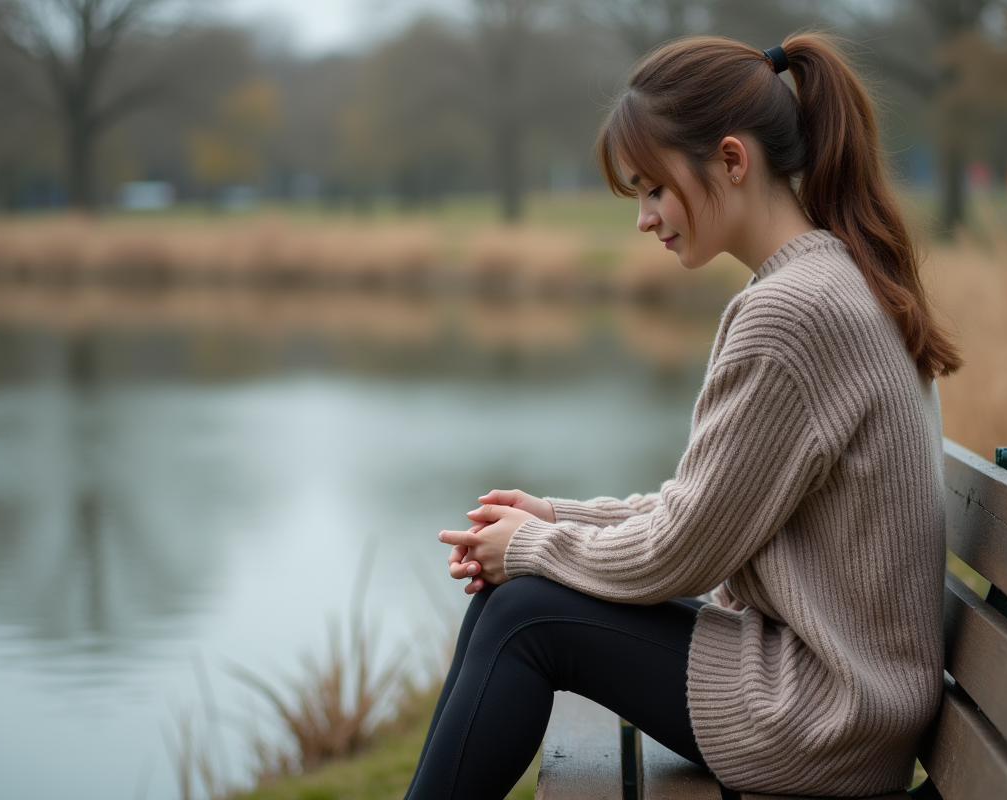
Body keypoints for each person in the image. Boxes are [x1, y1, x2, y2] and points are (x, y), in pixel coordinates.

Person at [405, 32, 962, 800]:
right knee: (514, 601)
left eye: (653, 188)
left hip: (824, 718)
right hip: (830, 691)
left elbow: (683, 554)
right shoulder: (821, 282)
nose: (644, 218)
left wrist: (536, 546)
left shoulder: (793, 313)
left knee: (523, 616)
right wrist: (555, 517)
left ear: (732, 161)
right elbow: (703, 512)